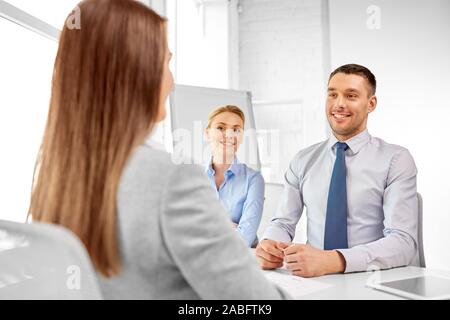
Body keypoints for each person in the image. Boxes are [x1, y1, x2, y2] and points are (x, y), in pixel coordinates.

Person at [28, 0, 289, 299]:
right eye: (165, 62)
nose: (171, 80)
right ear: (137, 73)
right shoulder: (172, 178)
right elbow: (255, 301)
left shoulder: (55, 175)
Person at [256, 64, 418, 277]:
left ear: (371, 104)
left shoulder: (396, 160)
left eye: (351, 96)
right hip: (312, 278)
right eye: (332, 95)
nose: (339, 104)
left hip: (370, 279)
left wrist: (334, 260)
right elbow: (283, 223)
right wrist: (270, 244)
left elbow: (403, 242)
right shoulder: (303, 160)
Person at [204, 105, 264, 247]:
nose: (229, 134)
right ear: (207, 133)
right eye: (221, 128)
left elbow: (245, 238)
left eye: (236, 130)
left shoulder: (253, 179)